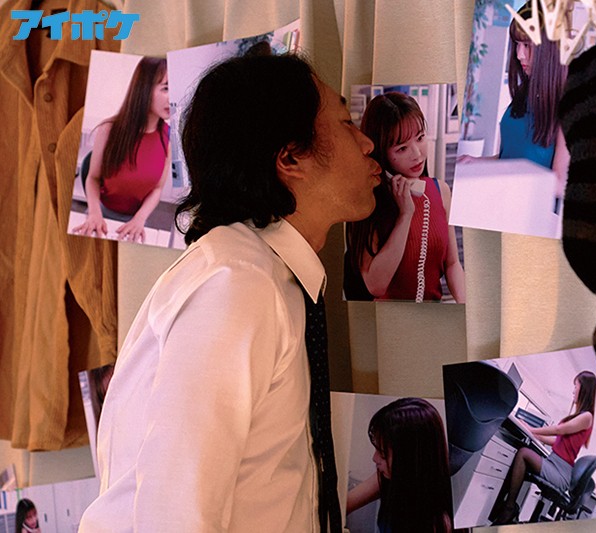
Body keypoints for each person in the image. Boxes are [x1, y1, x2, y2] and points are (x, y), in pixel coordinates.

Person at [78, 53, 382, 532]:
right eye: (346, 123)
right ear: (290, 158)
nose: (367, 142)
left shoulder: (264, 275)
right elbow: (175, 517)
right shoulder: (237, 285)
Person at [344, 92, 466, 303]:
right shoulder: (369, 201)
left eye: (420, 138)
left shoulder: (441, 190)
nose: (417, 154)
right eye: (402, 148)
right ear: (381, 153)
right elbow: (375, 285)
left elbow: (452, 264)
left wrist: (467, 307)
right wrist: (405, 214)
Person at [458, 4, 569, 211]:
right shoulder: (525, 95)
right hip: (503, 203)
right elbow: (509, 158)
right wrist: (475, 162)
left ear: (549, 50)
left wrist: (514, 176)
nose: (519, 54)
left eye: (527, 45)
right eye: (517, 44)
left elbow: (561, 184)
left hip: (532, 215)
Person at [72, 56, 171, 244]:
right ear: (144, 89)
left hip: (137, 220)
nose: (173, 98)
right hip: (99, 213)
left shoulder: (169, 138)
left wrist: (140, 219)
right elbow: (92, 178)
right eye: (166, 88)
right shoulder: (108, 130)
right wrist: (94, 213)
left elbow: (157, 188)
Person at [491, 370, 596, 525]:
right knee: (524, 451)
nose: (573, 391)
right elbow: (557, 441)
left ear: (584, 389)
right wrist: (535, 435)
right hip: (554, 463)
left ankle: (509, 507)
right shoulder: (579, 416)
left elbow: (559, 430)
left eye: (576, 386)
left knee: (523, 453)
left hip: (561, 473)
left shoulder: (587, 417)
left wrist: (532, 430)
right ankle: (501, 506)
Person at [346, 398, 452, 533]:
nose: (375, 458)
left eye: (383, 453)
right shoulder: (388, 476)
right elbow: (344, 505)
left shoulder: (438, 523)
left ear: (407, 458)